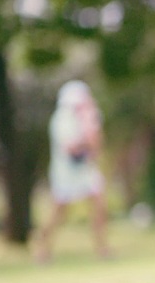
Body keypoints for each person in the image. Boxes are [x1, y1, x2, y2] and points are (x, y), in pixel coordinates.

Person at [36, 80, 111, 262]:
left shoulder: (90, 117)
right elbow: (71, 149)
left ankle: (102, 248)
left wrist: (89, 126)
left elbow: (96, 146)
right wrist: (87, 137)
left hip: (86, 171)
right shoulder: (62, 119)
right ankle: (42, 249)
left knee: (99, 205)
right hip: (65, 173)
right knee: (59, 213)